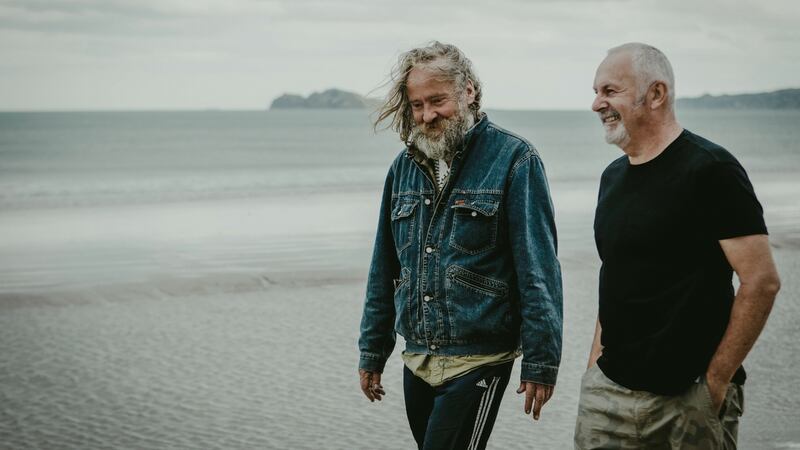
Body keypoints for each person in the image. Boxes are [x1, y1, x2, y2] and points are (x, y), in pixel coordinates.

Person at [574, 42, 781, 449]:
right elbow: (616, 277)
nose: (597, 103)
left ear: (656, 94)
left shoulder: (712, 170)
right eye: (596, 91)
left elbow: (761, 281)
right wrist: (592, 369)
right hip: (607, 394)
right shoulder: (612, 178)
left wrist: (716, 382)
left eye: (609, 91)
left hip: (686, 398)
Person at [357, 41, 563, 450]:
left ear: (468, 91)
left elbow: (537, 268)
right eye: (417, 105)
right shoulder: (403, 169)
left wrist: (542, 361)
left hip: (480, 359)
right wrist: (372, 351)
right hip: (417, 359)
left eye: (437, 100)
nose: (427, 115)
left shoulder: (514, 159)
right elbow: (384, 268)